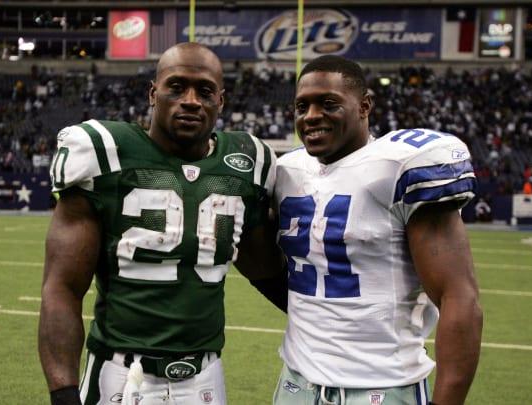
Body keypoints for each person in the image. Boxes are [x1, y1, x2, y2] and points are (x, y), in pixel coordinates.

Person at [38, 42, 286, 405]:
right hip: (120, 374)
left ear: (221, 101)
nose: (190, 100)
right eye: (176, 86)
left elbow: (261, 266)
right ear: (154, 93)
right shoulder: (106, 151)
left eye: (204, 91)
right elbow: (62, 287)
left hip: (205, 375)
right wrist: (63, 393)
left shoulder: (251, 161)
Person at [272, 55, 483, 405]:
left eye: (328, 104)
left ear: (364, 105)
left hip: (382, 387)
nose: (311, 116)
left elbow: (460, 299)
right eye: (301, 106)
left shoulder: (399, 165)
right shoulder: (287, 170)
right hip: (296, 382)